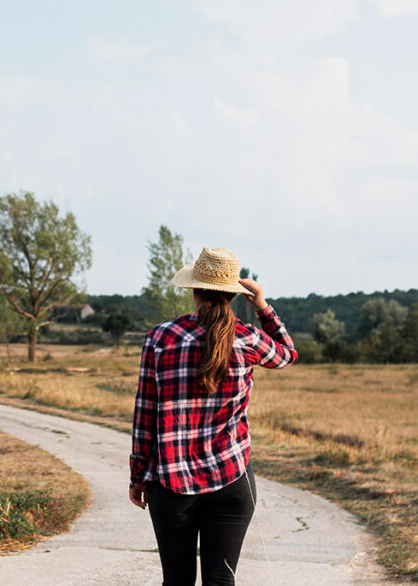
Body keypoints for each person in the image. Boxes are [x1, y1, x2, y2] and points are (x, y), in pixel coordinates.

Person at [128, 247, 298, 586]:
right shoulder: (248, 337)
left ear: (194, 290)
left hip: (171, 482)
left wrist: (138, 476)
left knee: (176, 581)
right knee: (221, 580)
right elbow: (289, 354)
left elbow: (145, 414)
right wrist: (263, 308)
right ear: (234, 294)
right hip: (232, 478)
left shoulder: (160, 337)